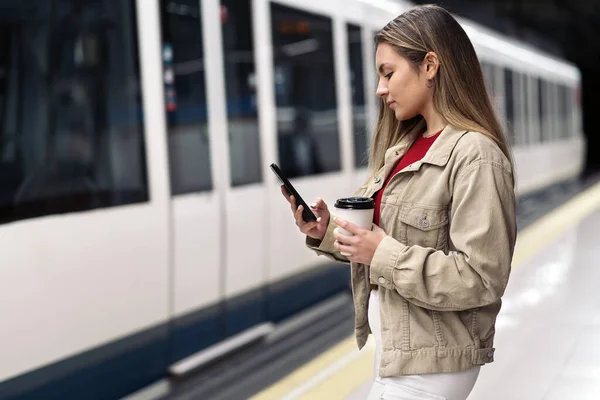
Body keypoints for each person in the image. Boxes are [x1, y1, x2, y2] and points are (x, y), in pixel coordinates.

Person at [281, 4, 517, 400]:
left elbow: (482, 277)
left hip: (434, 364)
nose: (380, 89)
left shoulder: (475, 154)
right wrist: (329, 233)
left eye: (388, 73)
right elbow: (388, 238)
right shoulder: (405, 147)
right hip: (399, 353)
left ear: (429, 65)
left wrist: (382, 253)